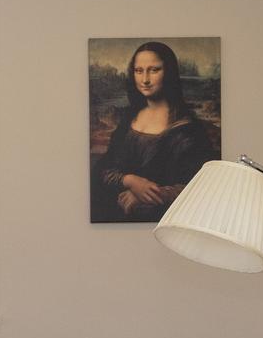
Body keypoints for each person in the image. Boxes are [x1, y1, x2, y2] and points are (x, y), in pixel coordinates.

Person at [91, 41, 216, 222]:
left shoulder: (188, 130)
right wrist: (130, 181)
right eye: (139, 71)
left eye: (154, 70)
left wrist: (144, 195)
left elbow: (201, 187)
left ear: (169, 73)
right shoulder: (128, 120)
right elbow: (103, 169)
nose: (145, 80)